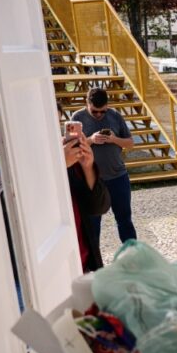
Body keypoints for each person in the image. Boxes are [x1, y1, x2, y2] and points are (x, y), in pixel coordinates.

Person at [73, 87, 136, 253]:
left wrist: (114, 139)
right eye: (95, 111)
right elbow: (70, 149)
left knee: (125, 221)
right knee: (92, 226)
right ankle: (94, 264)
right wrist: (91, 140)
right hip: (91, 180)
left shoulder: (115, 115)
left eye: (103, 111)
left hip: (118, 176)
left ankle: (134, 257)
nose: (100, 115)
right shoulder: (77, 119)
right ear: (87, 104)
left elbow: (130, 143)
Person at [63, 124, 110, 271]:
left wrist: (88, 167)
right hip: (52, 273)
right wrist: (58, 165)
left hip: (82, 263)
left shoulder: (70, 163)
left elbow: (99, 207)